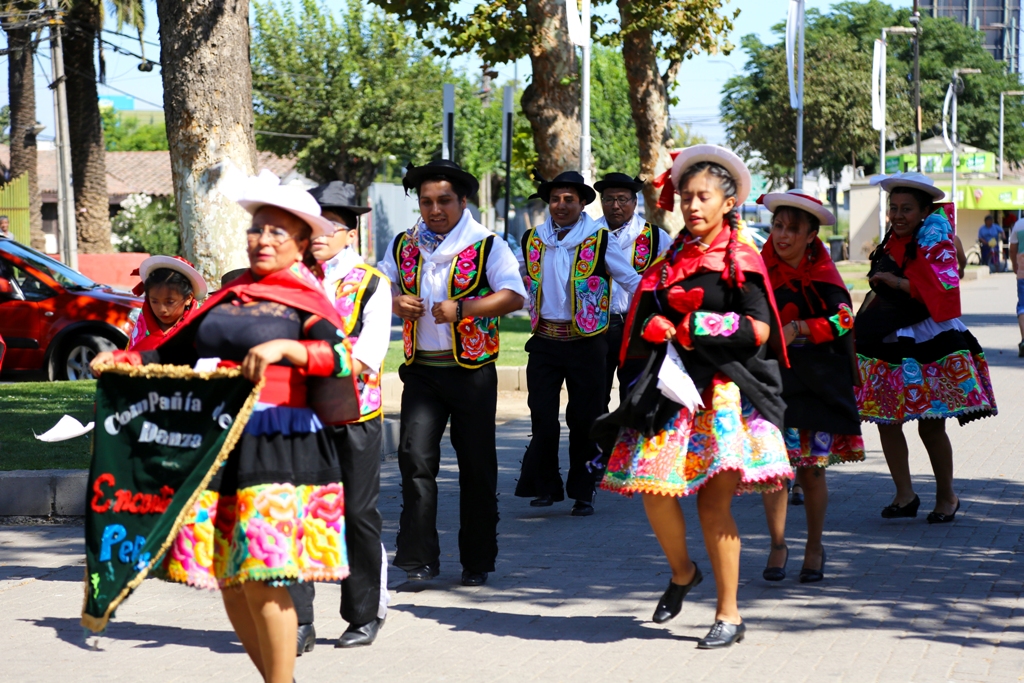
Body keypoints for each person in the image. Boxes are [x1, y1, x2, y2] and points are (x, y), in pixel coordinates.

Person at [91, 171, 358, 683]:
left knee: (262, 577)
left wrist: (288, 348)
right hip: (220, 443)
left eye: (278, 232)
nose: (262, 239)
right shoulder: (230, 294)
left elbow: (342, 360)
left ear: (302, 243)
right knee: (229, 578)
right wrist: (121, 359)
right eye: (257, 229)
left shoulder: (307, 299)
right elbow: (167, 348)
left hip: (281, 445)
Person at [595, 145, 792, 649]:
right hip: (673, 391)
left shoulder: (741, 258)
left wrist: (694, 325)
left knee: (712, 506)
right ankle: (684, 573)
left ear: (729, 203)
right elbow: (643, 315)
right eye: (686, 198)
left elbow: (761, 328)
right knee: (653, 490)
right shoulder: (670, 259)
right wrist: (655, 324)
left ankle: (729, 614)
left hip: (727, 395)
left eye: (703, 197)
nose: (692, 206)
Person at [379, 160, 526, 587]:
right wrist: (394, 301)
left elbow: (514, 296)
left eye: (444, 200)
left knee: (476, 466)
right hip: (422, 371)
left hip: (472, 373)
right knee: (414, 460)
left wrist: (464, 309)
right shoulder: (404, 244)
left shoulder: (486, 245)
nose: (435, 209)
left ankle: (477, 561)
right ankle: (419, 559)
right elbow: (380, 285)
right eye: (426, 201)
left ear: (463, 201)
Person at [284, 181, 391, 651]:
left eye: (332, 225)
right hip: (297, 417)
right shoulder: (289, 281)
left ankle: (364, 614)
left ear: (351, 233)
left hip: (355, 416)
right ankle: (300, 620)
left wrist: (299, 355)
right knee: (296, 515)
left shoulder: (372, 283)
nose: (321, 233)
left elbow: (368, 356)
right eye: (313, 224)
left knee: (357, 514)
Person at [857, 172, 997, 524]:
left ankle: (946, 496)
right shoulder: (892, 240)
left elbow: (949, 281)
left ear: (923, 212)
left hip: (929, 336)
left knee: (931, 422)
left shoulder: (935, 235)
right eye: (894, 208)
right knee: (886, 419)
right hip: (887, 336)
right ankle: (905, 496)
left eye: (907, 209)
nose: (899, 215)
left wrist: (896, 281)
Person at [514, 171, 641, 516]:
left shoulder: (599, 239)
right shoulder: (533, 238)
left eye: (569, 199)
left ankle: (583, 491)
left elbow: (630, 279)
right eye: (555, 199)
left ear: (583, 203)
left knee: (584, 418)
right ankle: (545, 485)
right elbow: (517, 281)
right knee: (542, 414)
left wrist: (664, 303)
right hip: (544, 340)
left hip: (587, 341)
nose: (561, 205)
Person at [757, 190, 864, 584]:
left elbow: (844, 322)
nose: (782, 235)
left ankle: (815, 545)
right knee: (774, 471)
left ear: (811, 235)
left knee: (812, 472)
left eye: (793, 229)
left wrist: (801, 327)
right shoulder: (758, 268)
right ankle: (778, 544)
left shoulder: (824, 274)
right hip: (772, 382)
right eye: (778, 226)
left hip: (817, 383)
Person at [593, 172, 671, 407]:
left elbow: (668, 283)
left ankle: (629, 443)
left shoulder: (657, 237)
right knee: (594, 397)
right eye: (608, 199)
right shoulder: (588, 235)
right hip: (597, 328)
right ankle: (597, 444)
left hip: (638, 327)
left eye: (622, 199)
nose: (615, 206)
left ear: (635, 202)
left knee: (635, 397)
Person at [128, 256, 208, 351]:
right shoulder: (143, 324)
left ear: (188, 298)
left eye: (170, 302)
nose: (162, 309)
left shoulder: (201, 327)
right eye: (154, 301)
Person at [1009, 214, 1024, 356]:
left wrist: (1014, 265)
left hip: (1023, 272)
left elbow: (1012, 249)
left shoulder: (1019, 225)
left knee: (1023, 307)